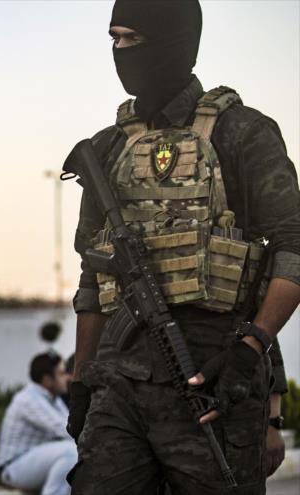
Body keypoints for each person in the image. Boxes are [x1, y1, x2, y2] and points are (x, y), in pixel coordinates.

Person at [65, 1, 300, 494]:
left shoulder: (244, 133)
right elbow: (92, 278)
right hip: (119, 383)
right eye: (115, 40)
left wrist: (251, 347)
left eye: (134, 39)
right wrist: (82, 380)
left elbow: (292, 249)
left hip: (213, 379)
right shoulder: (108, 147)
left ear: (174, 39)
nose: (121, 52)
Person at [0, 352, 75, 495]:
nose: (68, 378)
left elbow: (71, 429)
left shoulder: (53, 399)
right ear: (47, 380)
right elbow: (66, 430)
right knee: (71, 453)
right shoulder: (28, 399)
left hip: (33, 463)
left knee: (73, 452)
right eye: (62, 373)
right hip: (14, 466)